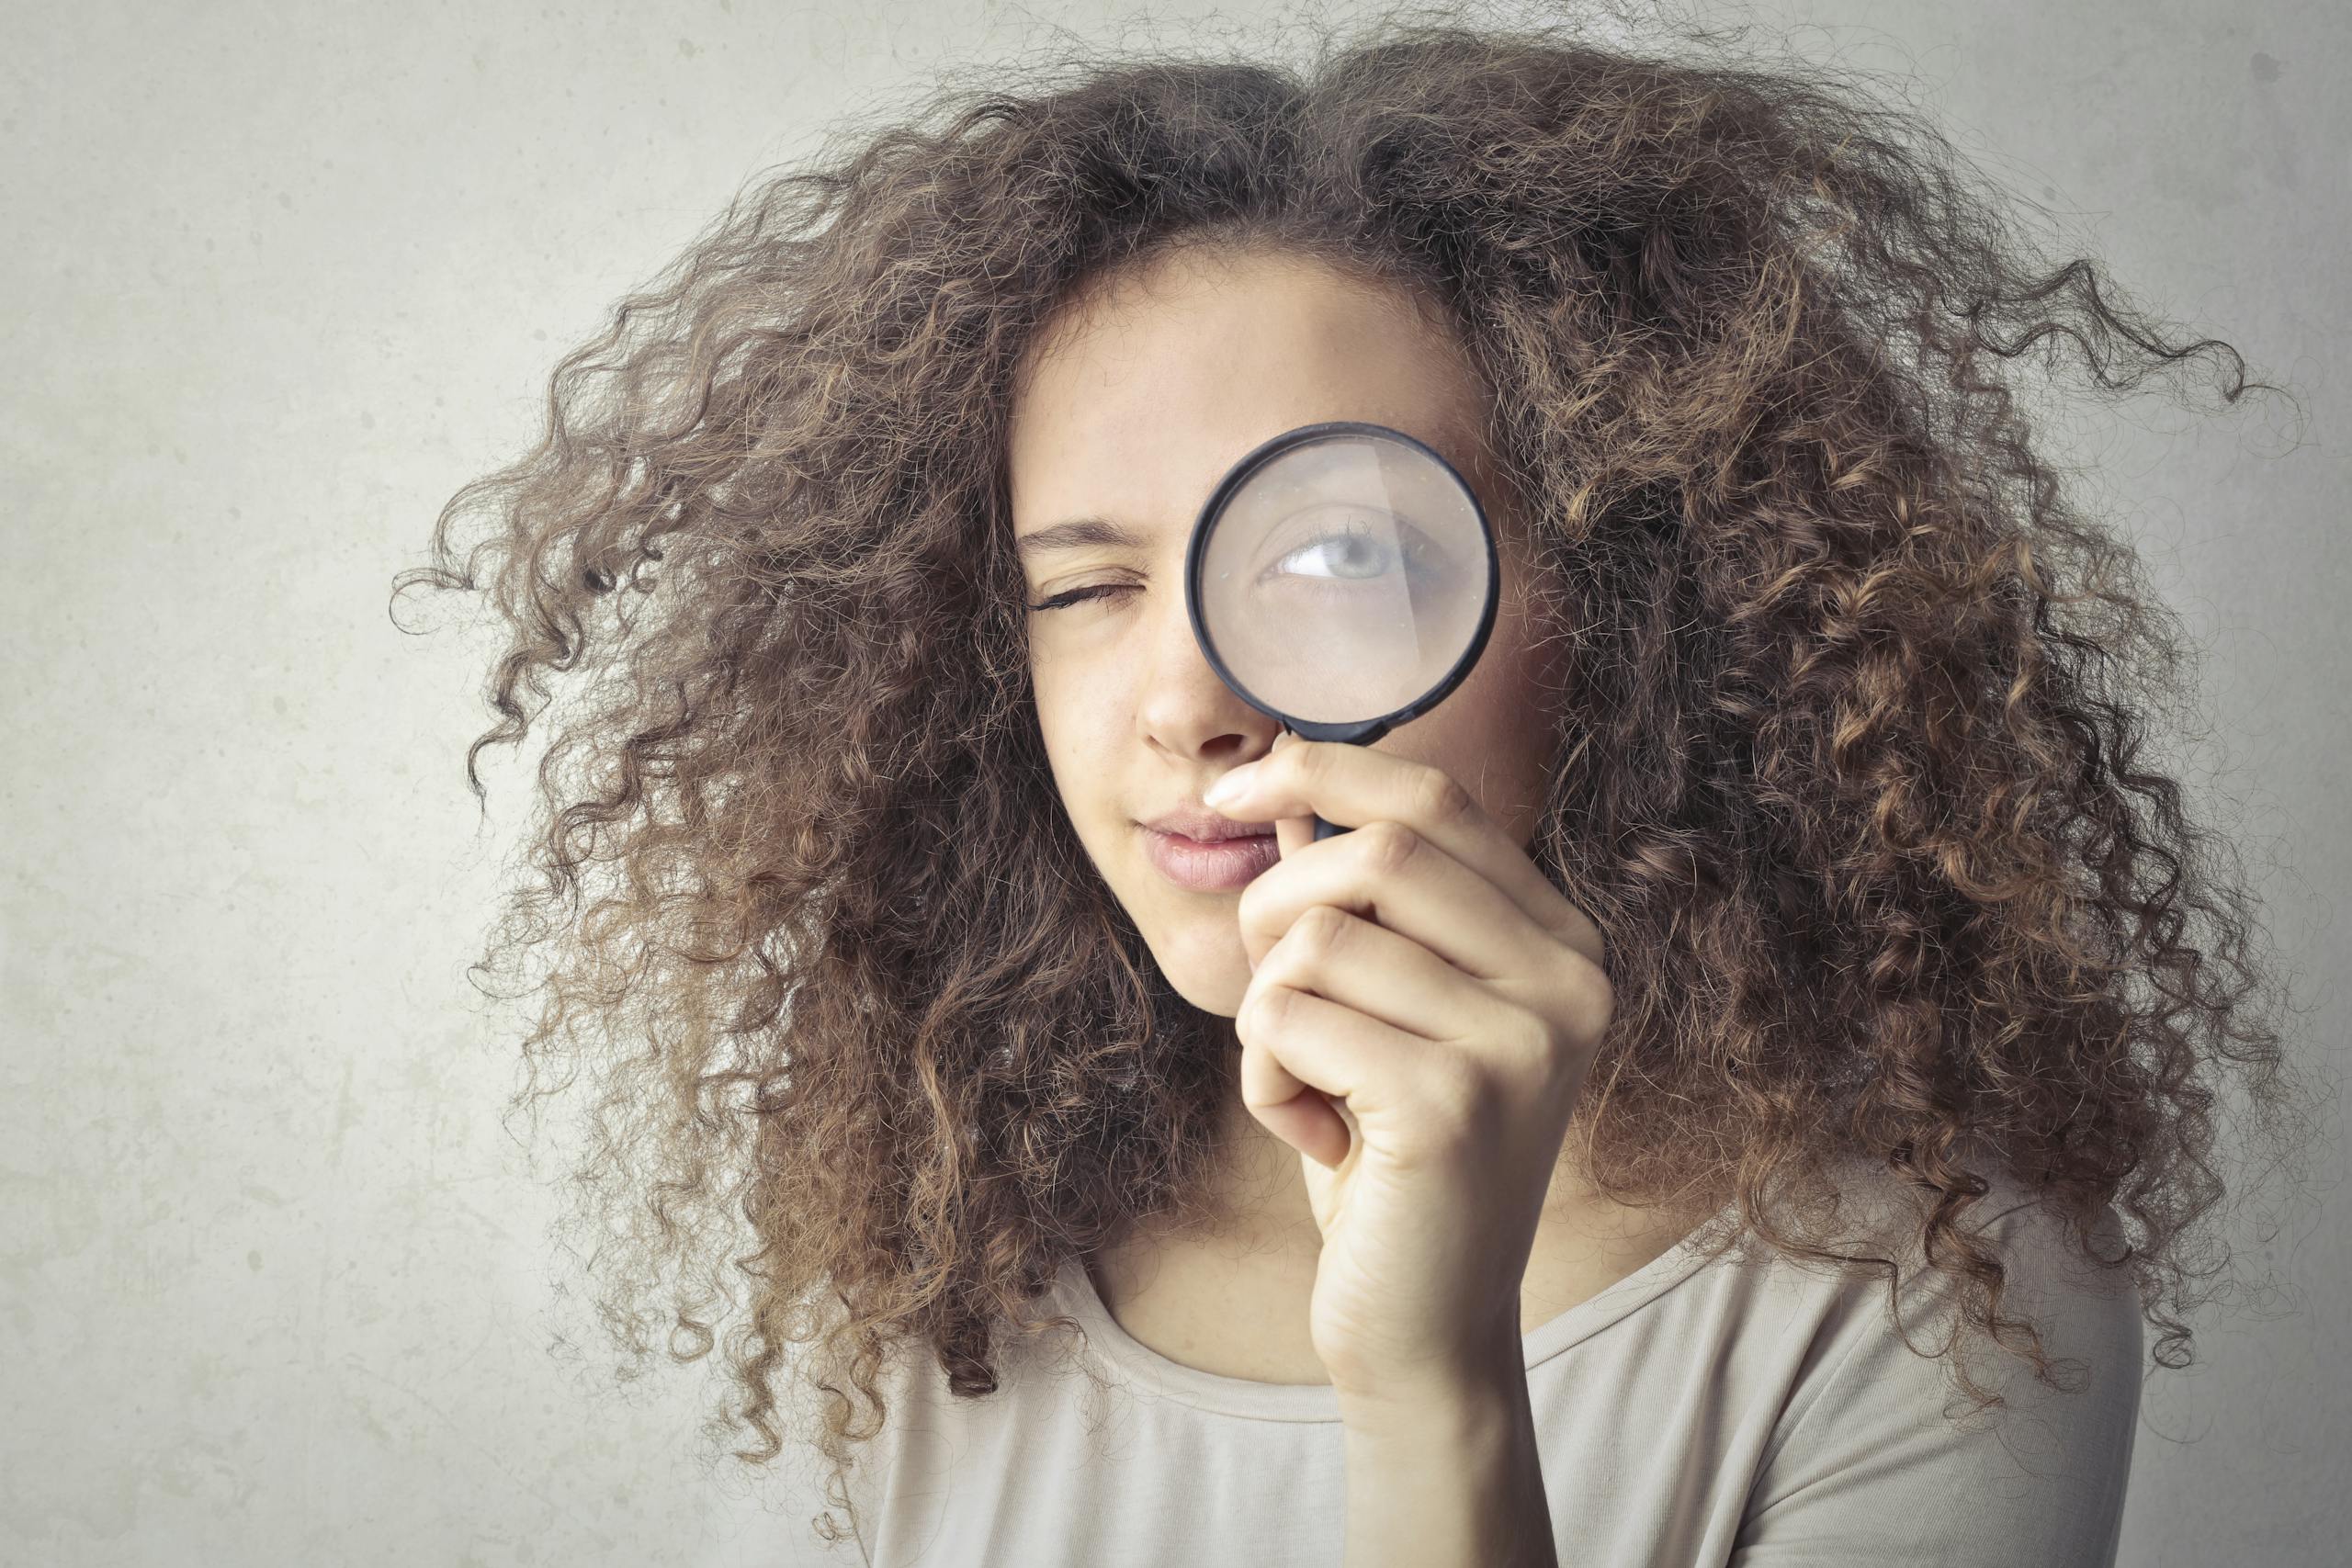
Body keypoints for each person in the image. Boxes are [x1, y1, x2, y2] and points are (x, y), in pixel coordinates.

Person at [390, 9, 2314, 1566]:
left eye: (1335, 559)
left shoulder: (1936, 1314)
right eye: (1080, 586)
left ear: (1624, 610)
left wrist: (1432, 1385)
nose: (1191, 700)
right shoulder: (952, 1259)